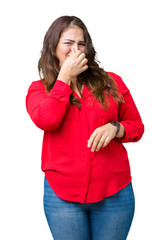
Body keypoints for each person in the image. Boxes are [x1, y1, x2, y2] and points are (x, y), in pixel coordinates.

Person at [26, 16, 143, 240]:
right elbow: (47, 120)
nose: (76, 50)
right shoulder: (39, 89)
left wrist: (116, 128)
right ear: (53, 47)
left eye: (81, 44)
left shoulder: (112, 81)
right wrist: (64, 79)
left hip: (115, 192)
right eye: (68, 43)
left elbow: (136, 126)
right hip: (62, 195)